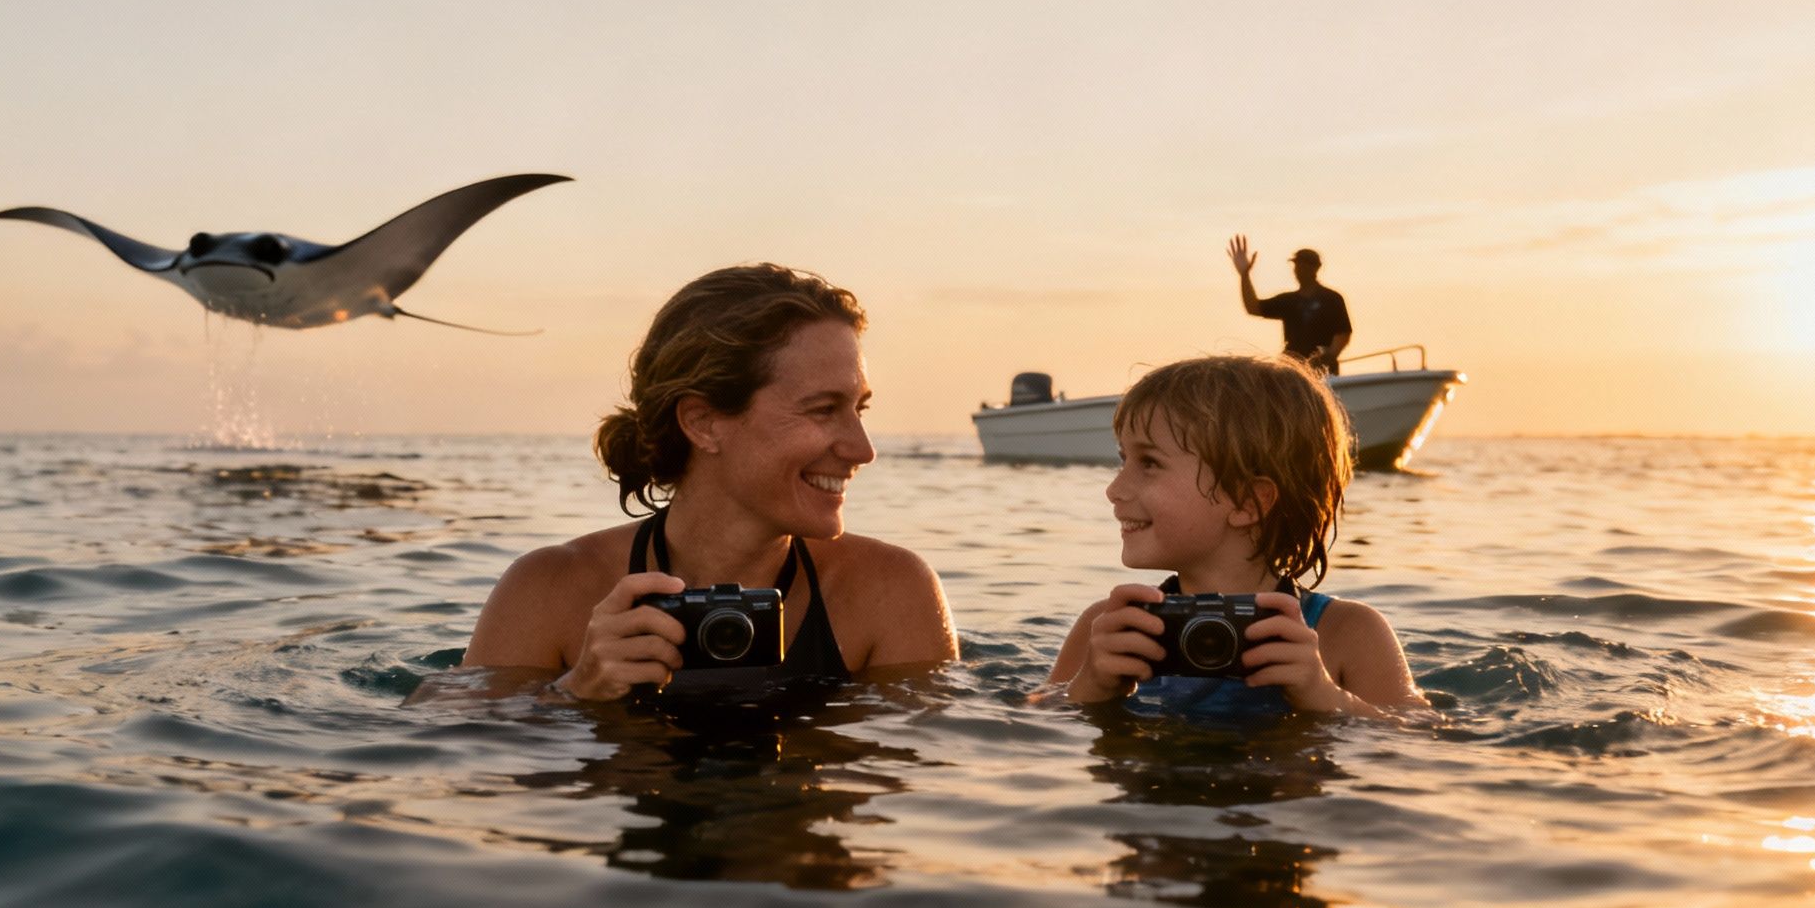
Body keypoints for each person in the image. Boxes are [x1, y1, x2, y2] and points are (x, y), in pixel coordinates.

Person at [463, 262, 958, 699]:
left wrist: (1033, 718)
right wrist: (575, 691)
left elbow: (940, 769)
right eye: (824, 409)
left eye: (859, 408)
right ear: (703, 422)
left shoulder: (889, 592)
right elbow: (459, 765)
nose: (863, 449)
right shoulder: (548, 590)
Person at [1046, 355, 1423, 717]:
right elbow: (1034, 725)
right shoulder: (1111, 627)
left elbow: (1420, 740)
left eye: (1149, 463)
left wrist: (1325, 695)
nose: (1115, 489)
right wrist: (1088, 687)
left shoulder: (1346, 633)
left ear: (1246, 501)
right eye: (1122, 459)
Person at [1229, 235, 1351, 377]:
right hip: (1293, 373)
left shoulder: (1332, 299)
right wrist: (1244, 275)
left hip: (1324, 373)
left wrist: (1329, 356)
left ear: (1316, 267)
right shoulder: (1288, 301)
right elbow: (1253, 308)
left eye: (1303, 265)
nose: (1298, 269)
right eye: (1296, 265)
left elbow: (1343, 333)